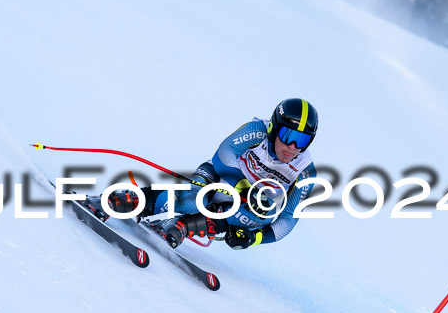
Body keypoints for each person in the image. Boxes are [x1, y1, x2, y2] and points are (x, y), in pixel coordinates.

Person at [105, 98, 318, 250]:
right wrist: (244, 186)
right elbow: (224, 153)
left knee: (263, 211)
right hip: (218, 175)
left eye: (302, 141)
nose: (292, 147)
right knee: (192, 201)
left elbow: (288, 219)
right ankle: (129, 200)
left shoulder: (304, 171)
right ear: (274, 128)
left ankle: (182, 227)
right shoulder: (258, 131)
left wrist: (254, 238)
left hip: (242, 202)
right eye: (287, 135)